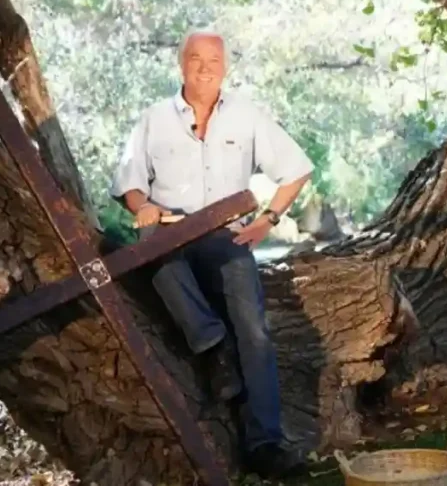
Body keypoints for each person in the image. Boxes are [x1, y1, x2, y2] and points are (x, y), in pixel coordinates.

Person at [109, 29, 313, 478]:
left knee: (255, 331)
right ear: (181, 64)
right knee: (153, 254)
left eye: (214, 60)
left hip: (226, 236)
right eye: (196, 58)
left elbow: (296, 169)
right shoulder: (153, 118)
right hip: (169, 235)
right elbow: (129, 180)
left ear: (227, 67)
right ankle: (212, 344)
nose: (205, 67)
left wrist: (270, 219)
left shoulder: (247, 116)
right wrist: (142, 205)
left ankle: (265, 444)